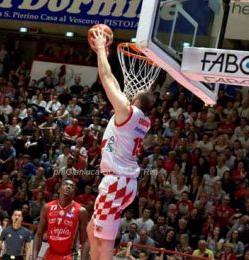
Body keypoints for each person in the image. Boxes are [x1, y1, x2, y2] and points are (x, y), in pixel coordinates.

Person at [87, 29, 152, 260]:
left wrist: (102, 50)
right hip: (126, 182)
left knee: (103, 243)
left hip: (117, 181)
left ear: (135, 100)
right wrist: (103, 53)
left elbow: (106, 79)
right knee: (91, 230)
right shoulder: (144, 121)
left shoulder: (128, 112)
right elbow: (113, 82)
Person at [33, 179, 88, 260]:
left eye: (71, 186)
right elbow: (39, 235)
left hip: (70, 255)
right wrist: (34, 257)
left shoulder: (81, 211)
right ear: (59, 189)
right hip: (51, 253)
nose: (68, 187)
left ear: (74, 193)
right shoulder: (47, 207)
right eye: (66, 184)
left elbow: (85, 241)